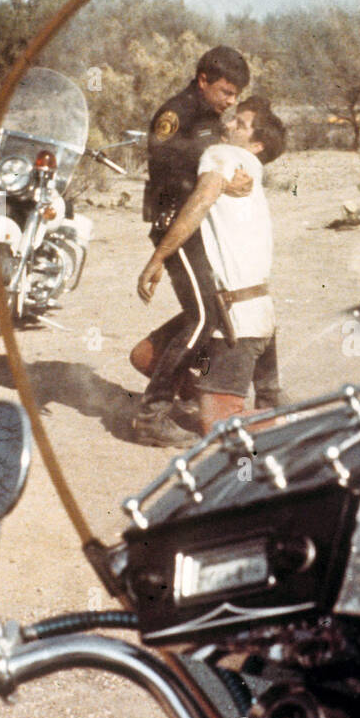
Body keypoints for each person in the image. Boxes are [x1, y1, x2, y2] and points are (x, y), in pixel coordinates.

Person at [137, 96, 288, 436]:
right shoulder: (250, 169)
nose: (230, 124)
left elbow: (202, 198)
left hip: (236, 325)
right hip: (261, 318)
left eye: (241, 124)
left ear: (257, 144)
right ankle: (267, 410)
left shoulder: (224, 155)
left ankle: (155, 416)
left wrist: (158, 257)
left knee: (221, 426)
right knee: (145, 356)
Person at [131, 45, 254, 445]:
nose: (231, 101)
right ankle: (152, 413)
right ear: (203, 80)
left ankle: (156, 361)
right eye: (225, 92)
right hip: (174, 224)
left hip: (198, 224)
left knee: (208, 309)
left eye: (235, 95)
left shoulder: (210, 117)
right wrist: (216, 164)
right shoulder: (176, 113)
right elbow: (160, 152)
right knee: (203, 316)